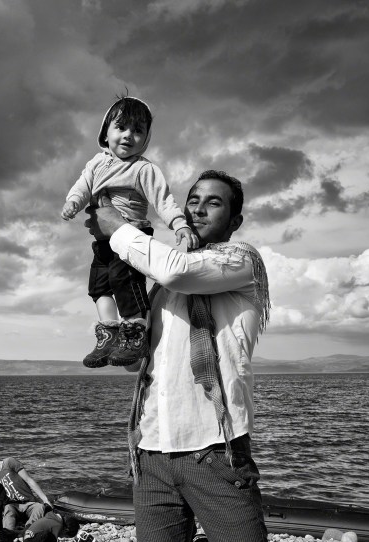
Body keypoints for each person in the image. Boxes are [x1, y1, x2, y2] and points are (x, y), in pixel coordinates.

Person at [84, 170, 270, 542]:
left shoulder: (239, 261)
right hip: (151, 453)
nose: (198, 210)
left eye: (213, 202)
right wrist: (111, 318)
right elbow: (138, 364)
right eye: (193, 201)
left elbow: (175, 270)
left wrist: (117, 227)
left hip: (215, 450)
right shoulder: (160, 291)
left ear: (235, 221)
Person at [62, 95, 197, 368]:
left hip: (132, 237)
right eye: (121, 127)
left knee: (127, 285)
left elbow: (163, 200)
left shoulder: (143, 169)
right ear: (105, 132)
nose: (128, 136)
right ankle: (109, 334)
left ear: (146, 138)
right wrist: (73, 202)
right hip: (102, 242)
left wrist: (179, 224)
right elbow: (82, 185)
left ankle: (135, 332)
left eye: (138, 131)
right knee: (99, 287)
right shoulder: (95, 164)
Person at [0, 452, 51, 531]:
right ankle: (8, 533)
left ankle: (28, 530)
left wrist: (45, 500)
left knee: (39, 507)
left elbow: (29, 480)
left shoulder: (9, 462)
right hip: (14, 505)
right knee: (8, 508)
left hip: (29, 502)